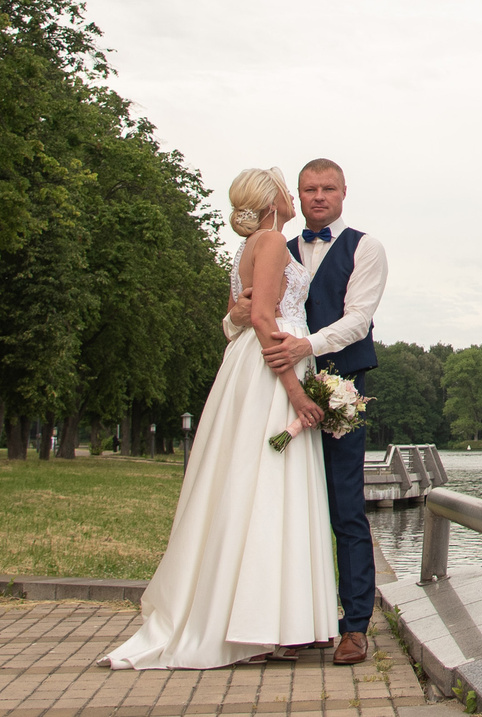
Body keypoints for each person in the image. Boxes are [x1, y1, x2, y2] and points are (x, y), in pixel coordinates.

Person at [103, 168, 337, 668]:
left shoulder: (249, 245)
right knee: (268, 489)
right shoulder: (272, 239)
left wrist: (242, 320)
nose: (295, 197)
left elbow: (235, 315)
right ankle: (258, 624)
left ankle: (260, 619)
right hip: (271, 374)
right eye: (286, 187)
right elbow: (260, 318)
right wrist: (297, 394)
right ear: (273, 198)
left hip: (247, 368)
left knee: (247, 486)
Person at [228, 158, 389, 665]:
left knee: (345, 508)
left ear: (344, 192)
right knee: (289, 504)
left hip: (339, 386)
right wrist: (234, 315)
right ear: (294, 199)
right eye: (308, 189)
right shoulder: (277, 246)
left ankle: (355, 625)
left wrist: (307, 347)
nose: (318, 196)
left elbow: (359, 320)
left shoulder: (366, 247)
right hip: (282, 389)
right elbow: (248, 317)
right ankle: (299, 621)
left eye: (328, 188)